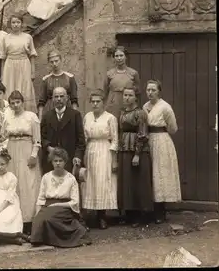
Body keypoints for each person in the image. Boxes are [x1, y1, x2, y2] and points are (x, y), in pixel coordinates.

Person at [30, 148, 91, 247]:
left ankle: (52, 239)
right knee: (38, 219)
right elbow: (41, 199)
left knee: (49, 219)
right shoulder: (46, 177)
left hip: (64, 208)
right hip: (48, 206)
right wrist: (37, 214)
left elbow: (75, 202)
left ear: (65, 162)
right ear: (52, 162)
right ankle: (39, 239)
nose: (58, 163)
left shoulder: (71, 178)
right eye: (55, 161)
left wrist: (57, 204)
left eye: (60, 161)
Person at [0, 90, 41, 235]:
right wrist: (3, 152)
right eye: (12, 103)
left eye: (18, 102)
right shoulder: (7, 117)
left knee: (28, 185)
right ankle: (15, 221)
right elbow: (4, 137)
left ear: (22, 102)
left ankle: (29, 221)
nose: (15, 105)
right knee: (14, 184)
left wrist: (34, 155)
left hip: (26, 150)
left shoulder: (31, 117)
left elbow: (37, 140)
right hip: (12, 151)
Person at [143, 80, 181, 224]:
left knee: (160, 173)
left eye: (153, 90)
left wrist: (161, 132)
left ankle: (161, 211)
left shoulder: (165, 107)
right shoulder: (145, 106)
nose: (150, 92)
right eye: (148, 90)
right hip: (148, 140)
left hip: (162, 141)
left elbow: (173, 128)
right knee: (149, 172)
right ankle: (151, 208)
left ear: (159, 91)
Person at [82, 90, 119, 229]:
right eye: (93, 101)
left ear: (103, 103)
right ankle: (90, 215)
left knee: (103, 181)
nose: (95, 104)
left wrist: (114, 159)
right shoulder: (87, 117)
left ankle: (102, 216)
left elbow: (115, 140)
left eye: (98, 101)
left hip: (105, 150)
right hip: (91, 149)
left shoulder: (110, 118)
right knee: (91, 181)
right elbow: (84, 137)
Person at [118, 86, 153, 227]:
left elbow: (143, 134)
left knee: (138, 182)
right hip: (124, 149)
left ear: (135, 97)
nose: (127, 98)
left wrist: (137, 154)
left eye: (130, 95)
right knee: (127, 182)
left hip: (137, 151)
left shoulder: (141, 113)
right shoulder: (121, 112)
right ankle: (129, 213)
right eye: (125, 95)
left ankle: (141, 215)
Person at [40, 87, 85, 174]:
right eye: (56, 97)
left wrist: (78, 156)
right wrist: (49, 148)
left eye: (61, 96)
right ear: (52, 99)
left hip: (70, 159)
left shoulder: (75, 115)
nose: (59, 99)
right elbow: (42, 137)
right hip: (51, 160)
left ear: (67, 98)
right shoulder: (47, 116)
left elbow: (81, 140)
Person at [0, 14, 38, 113]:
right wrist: (2, 74)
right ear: (10, 24)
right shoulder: (6, 38)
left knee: (25, 89)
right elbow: (3, 57)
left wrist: (33, 72)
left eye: (18, 22)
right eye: (13, 22)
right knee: (9, 88)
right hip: (9, 66)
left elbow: (32, 55)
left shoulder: (28, 37)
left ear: (21, 24)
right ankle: (9, 114)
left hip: (24, 65)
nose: (16, 25)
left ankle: (26, 114)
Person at [38, 51, 79, 120]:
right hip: (51, 111)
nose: (54, 64)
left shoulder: (70, 77)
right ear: (49, 63)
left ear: (61, 60)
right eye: (52, 62)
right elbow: (41, 102)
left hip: (67, 110)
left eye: (56, 61)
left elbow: (74, 100)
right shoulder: (46, 79)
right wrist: (40, 119)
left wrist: (75, 117)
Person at [104, 46, 140, 120]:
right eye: (116, 56)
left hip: (128, 104)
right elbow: (105, 92)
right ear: (114, 58)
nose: (119, 58)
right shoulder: (109, 74)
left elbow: (138, 92)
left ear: (125, 57)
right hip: (113, 106)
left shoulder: (133, 73)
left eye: (121, 55)